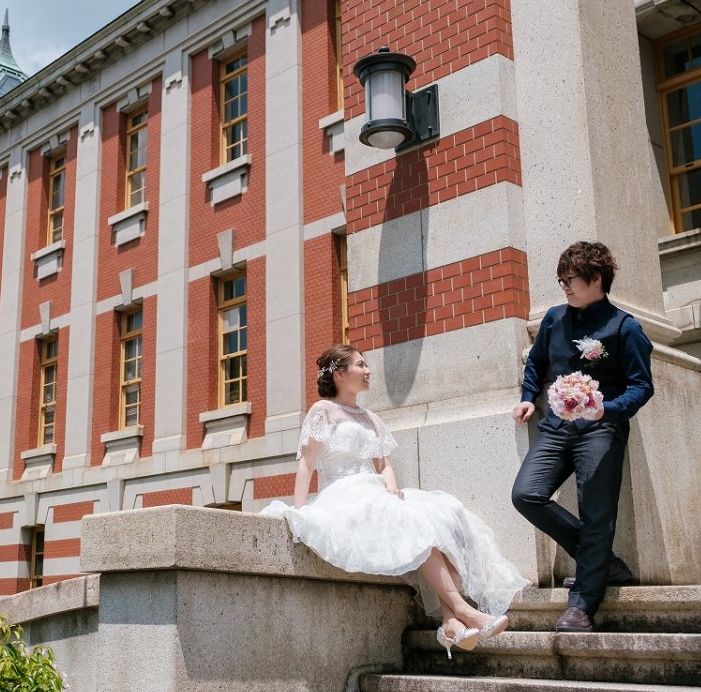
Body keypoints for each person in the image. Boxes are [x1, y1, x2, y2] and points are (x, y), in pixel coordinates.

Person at [262, 344, 528, 657]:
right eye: (360, 365)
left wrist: (391, 485)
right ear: (338, 374)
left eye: (367, 365)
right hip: (344, 493)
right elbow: (307, 463)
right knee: (418, 527)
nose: (368, 371)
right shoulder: (322, 411)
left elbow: (384, 464)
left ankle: (451, 623)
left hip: (376, 490)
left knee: (443, 518)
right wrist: (299, 508)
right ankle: (461, 611)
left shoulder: (370, 417)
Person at [511, 241, 653, 632]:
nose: (564, 287)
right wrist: (527, 398)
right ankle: (602, 562)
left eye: (569, 280)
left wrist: (608, 409)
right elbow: (537, 363)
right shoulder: (554, 319)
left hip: (601, 429)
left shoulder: (626, 328)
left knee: (597, 512)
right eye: (561, 280)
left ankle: (582, 606)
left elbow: (642, 386)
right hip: (556, 428)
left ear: (595, 279)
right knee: (526, 494)